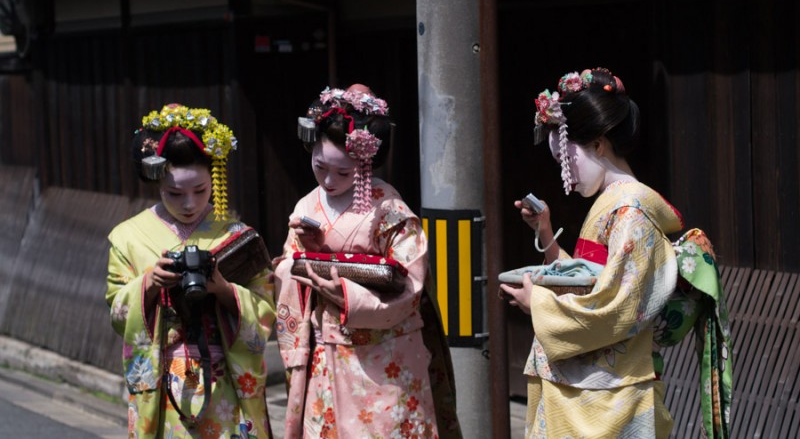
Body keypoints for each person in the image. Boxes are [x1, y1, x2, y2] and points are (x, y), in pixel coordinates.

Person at [500, 68, 687, 438]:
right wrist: (546, 235)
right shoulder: (613, 204)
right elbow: (588, 277)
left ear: (599, 144)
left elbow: (617, 304)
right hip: (585, 384)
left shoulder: (632, 212)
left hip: (608, 395)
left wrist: (538, 302)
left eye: (569, 163)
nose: (566, 177)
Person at [274, 85, 461, 438]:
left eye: (343, 173)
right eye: (320, 167)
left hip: (387, 351)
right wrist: (308, 256)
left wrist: (345, 293)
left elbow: (411, 287)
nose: (329, 181)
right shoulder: (305, 207)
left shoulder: (389, 210)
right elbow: (287, 267)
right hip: (326, 348)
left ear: (365, 162)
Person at [106, 104, 276, 438]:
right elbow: (117, 310)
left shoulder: (237, 237)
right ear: (156, 182)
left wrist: (223, 289)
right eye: (174, 193)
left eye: (200, 190)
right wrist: (150, 284)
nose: (188, 204)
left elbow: (266, 311)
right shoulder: (128, 237)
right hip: (163, 386)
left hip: (225, 384)